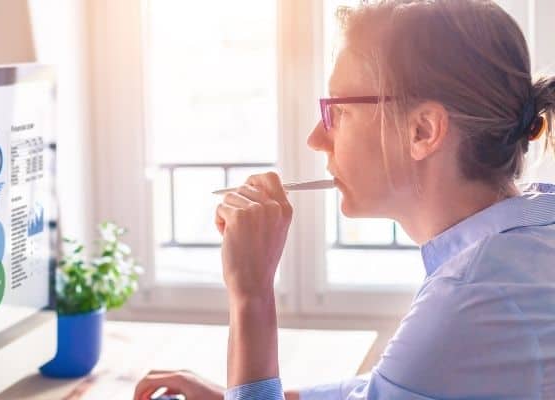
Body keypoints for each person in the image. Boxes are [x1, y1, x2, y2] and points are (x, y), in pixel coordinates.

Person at [134, 0, 555, 399]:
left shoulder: (470, 298)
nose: (316, 139)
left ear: (423, 131)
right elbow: (393, 385)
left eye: (338, 111)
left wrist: (251, 295)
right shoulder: (531, 232)